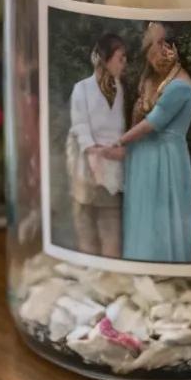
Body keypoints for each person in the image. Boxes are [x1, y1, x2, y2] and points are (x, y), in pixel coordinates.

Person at [118, 25, 191, 263]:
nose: (158, 51)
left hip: (165, 157)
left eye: (163, 44)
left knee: (160, 212)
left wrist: (119, 142)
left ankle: (162, 264)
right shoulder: (150, 80)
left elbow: (154, 122)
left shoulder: (180, 86)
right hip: (143, 155)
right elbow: (138, 118)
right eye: (153, 45)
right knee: (142, 212)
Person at [65, 34, 128, 258]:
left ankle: (110, 271)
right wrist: (97, 150)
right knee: (85, 223)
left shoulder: (119, 90)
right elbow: (80, 125)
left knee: (110, 224)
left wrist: (119, 149)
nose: (124, 63)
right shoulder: (81, 89)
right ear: (105, 59)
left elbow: (120, 129)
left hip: (111, 169)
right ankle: (88, 271)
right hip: (86, 168)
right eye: (120, 58)